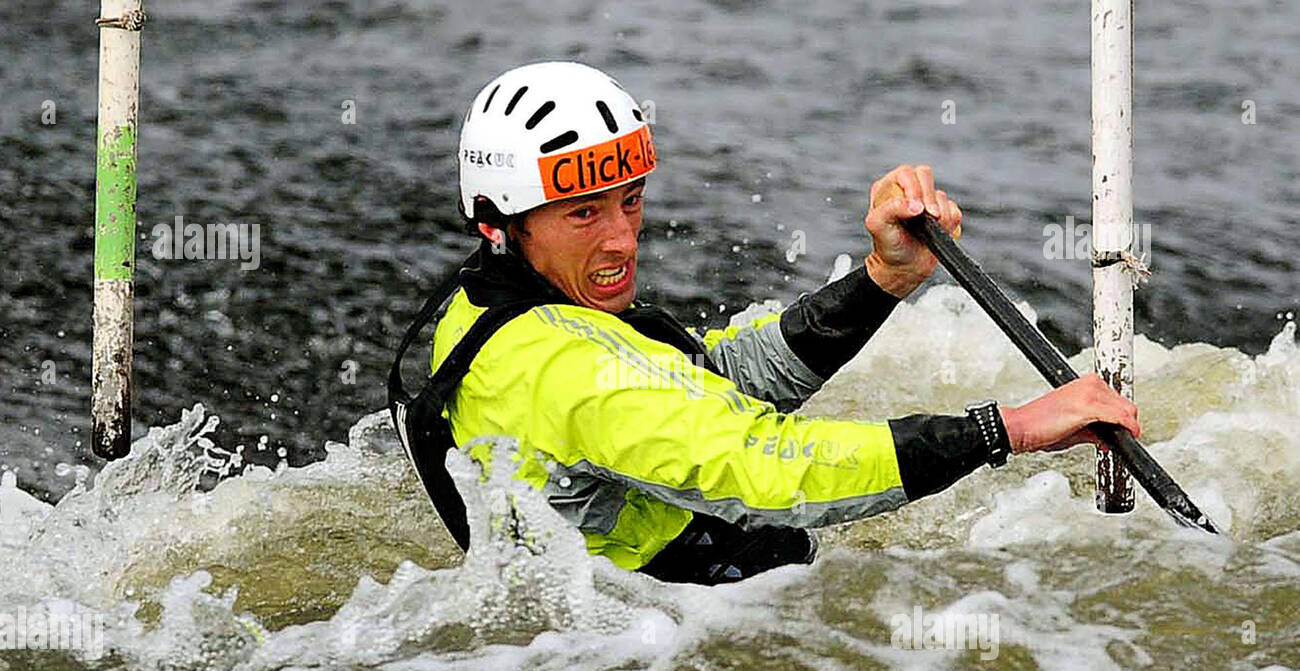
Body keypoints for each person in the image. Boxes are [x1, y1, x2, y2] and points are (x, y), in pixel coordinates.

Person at [388, 61, 1141, 585]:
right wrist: (1004, 430)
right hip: (664, 639)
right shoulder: (554, 366)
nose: (621, 239)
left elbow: (713, 385)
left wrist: (885, 279)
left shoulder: (500, 307)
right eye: (584, 212)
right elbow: (767, 471)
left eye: (630, 200)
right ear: (498, 225)